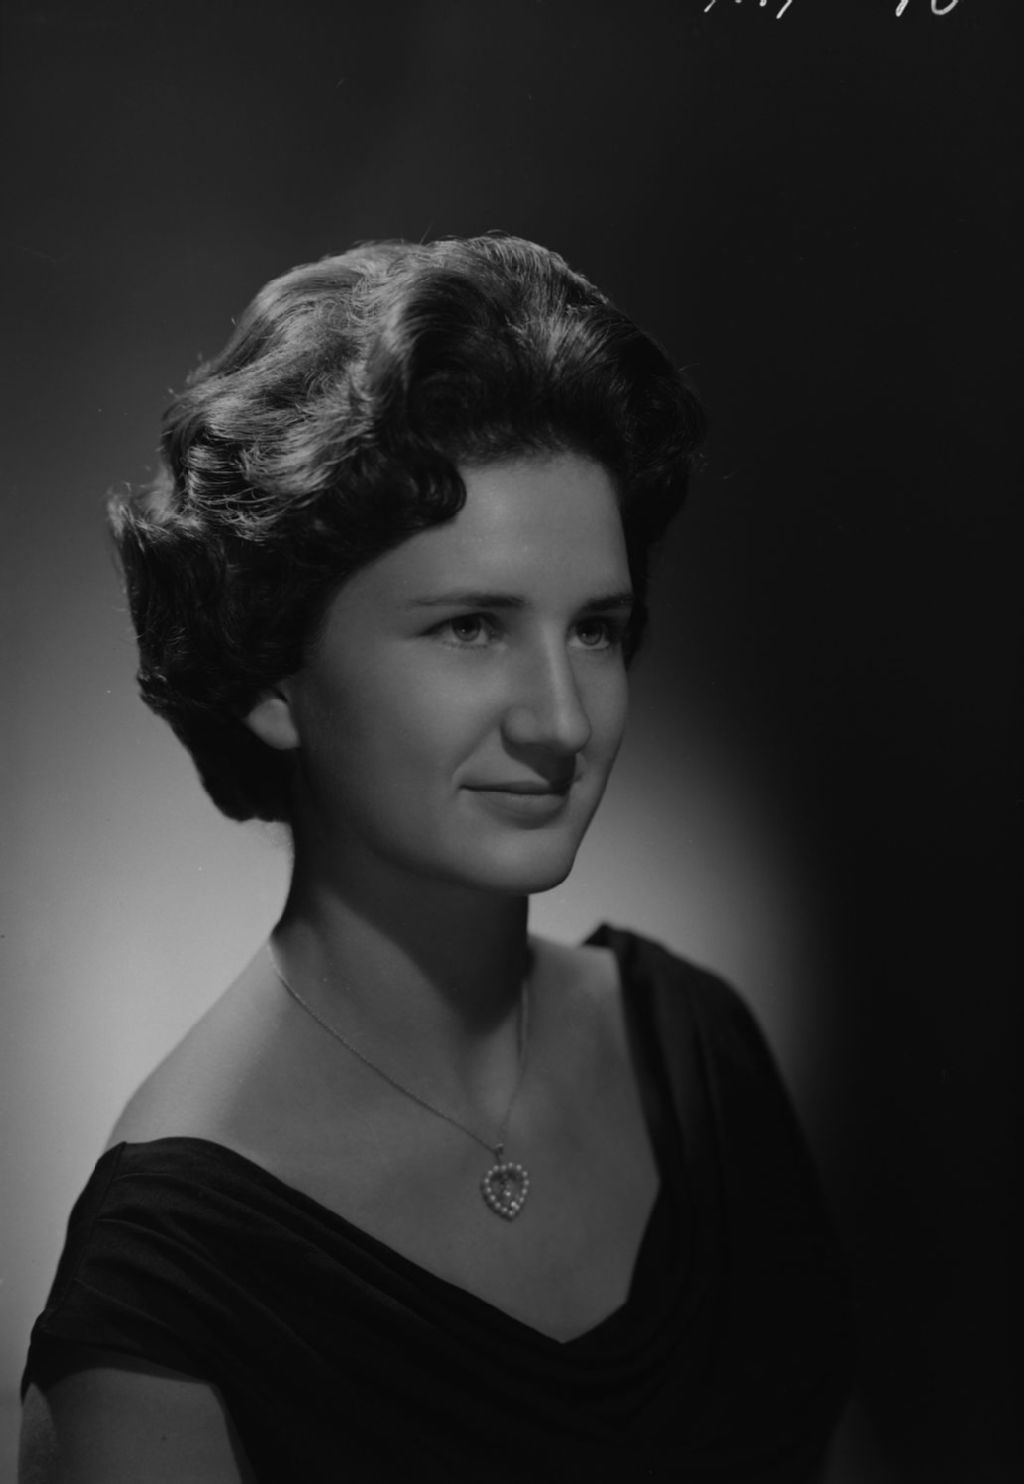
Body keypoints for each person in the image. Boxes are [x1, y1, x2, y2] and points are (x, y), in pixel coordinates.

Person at [19, 234, 852, 1482]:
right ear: (272, 675)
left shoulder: (698, 1050)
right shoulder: (171, 1285)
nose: (561, 720)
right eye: (471, 626)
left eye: (595, 629)